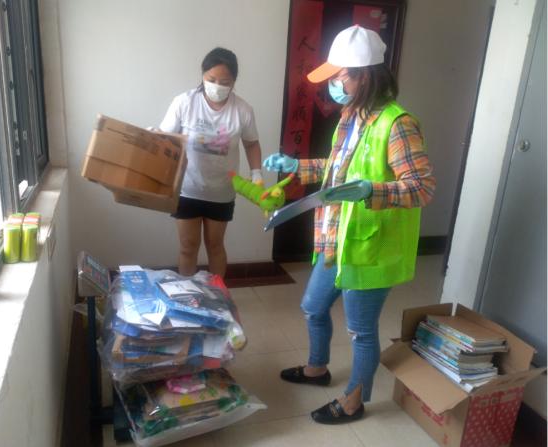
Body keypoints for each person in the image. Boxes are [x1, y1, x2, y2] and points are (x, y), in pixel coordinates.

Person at [263, 25, 435, 424]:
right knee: (312, 307)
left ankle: (354, 401)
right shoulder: (351, 116)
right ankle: (317, 369)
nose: (334, 87)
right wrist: (297, 166)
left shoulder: (397, 124)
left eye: (340, 77)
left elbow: (422, 187)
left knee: (360, 330)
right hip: (337, 237)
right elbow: (338, 168)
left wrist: (371, 191)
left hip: (370, 247)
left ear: (364, 76)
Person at [159, 47, 263, 278]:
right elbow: (165, 139)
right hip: (186, 188)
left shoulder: (243, 110)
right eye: (211, 79)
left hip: (221, 191)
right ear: (203, 75)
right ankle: (187, 293)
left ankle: (218, 294)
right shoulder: (184, 102)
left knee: (215, 246)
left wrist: (256, 174)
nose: (217, 86)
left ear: (234, 82)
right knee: (188, 247)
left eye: (224, 82)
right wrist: (152, 137)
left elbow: (251, 144)